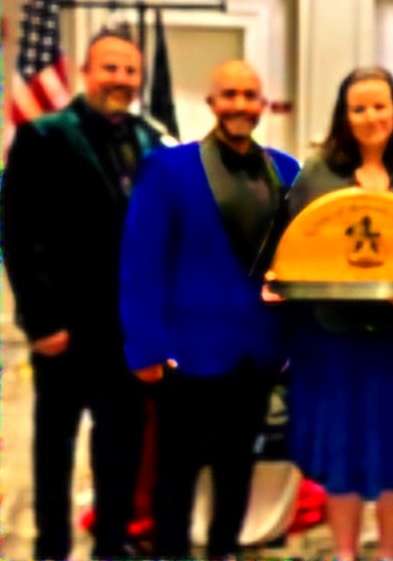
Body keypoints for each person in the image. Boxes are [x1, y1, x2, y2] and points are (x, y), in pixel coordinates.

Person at [119, 59, 299, 559]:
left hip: (258, 351)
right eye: (230, 95)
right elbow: (141, 261)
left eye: (249, 95)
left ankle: (223, 551)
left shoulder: (287, 170)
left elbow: (297, 259)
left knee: (237, 468)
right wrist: (145, 347)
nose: (240, 105)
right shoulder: (167, 168)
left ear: (262, 105)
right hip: (186, 351)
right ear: (212, 102)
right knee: (175, 472)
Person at [275, 67, 393, 560]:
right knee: (342, 454)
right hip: (334, 341)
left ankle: (390, 553)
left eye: (380, 106)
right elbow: (295, 243)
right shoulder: (317, 173)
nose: (371, 117)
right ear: (344, 115)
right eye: (359, 108)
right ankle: (346, 553)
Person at [0, 27, 164, 559]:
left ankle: (111, 544)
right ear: (86, 72)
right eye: (110, 67)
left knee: (121, 443)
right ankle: (51, 547)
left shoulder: (149, 140)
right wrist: (41, 321)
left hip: (128, 329)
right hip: (65, 329)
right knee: (56, 444)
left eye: (130, 70)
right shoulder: (43, 135)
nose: (121, 78)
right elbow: (18, 235)